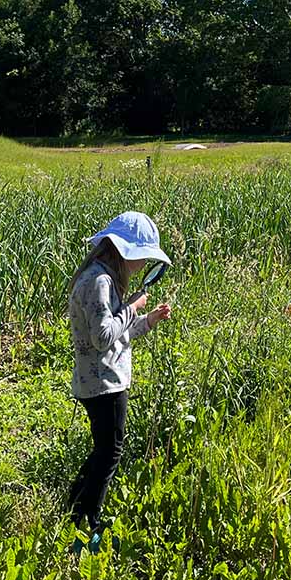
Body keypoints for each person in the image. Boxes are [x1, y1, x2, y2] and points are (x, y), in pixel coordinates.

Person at [68, 211, 172, 553]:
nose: (143, 264)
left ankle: (74, 505)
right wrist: (132, 306)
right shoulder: (99, 281)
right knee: (110, 452)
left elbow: (117, 334)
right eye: (141, 256)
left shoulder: (100, 278)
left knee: (103, 448)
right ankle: (87, 523)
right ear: (123, 251)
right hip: (103, 383)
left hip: (99, 380)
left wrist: (147, 319)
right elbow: (103, 336)